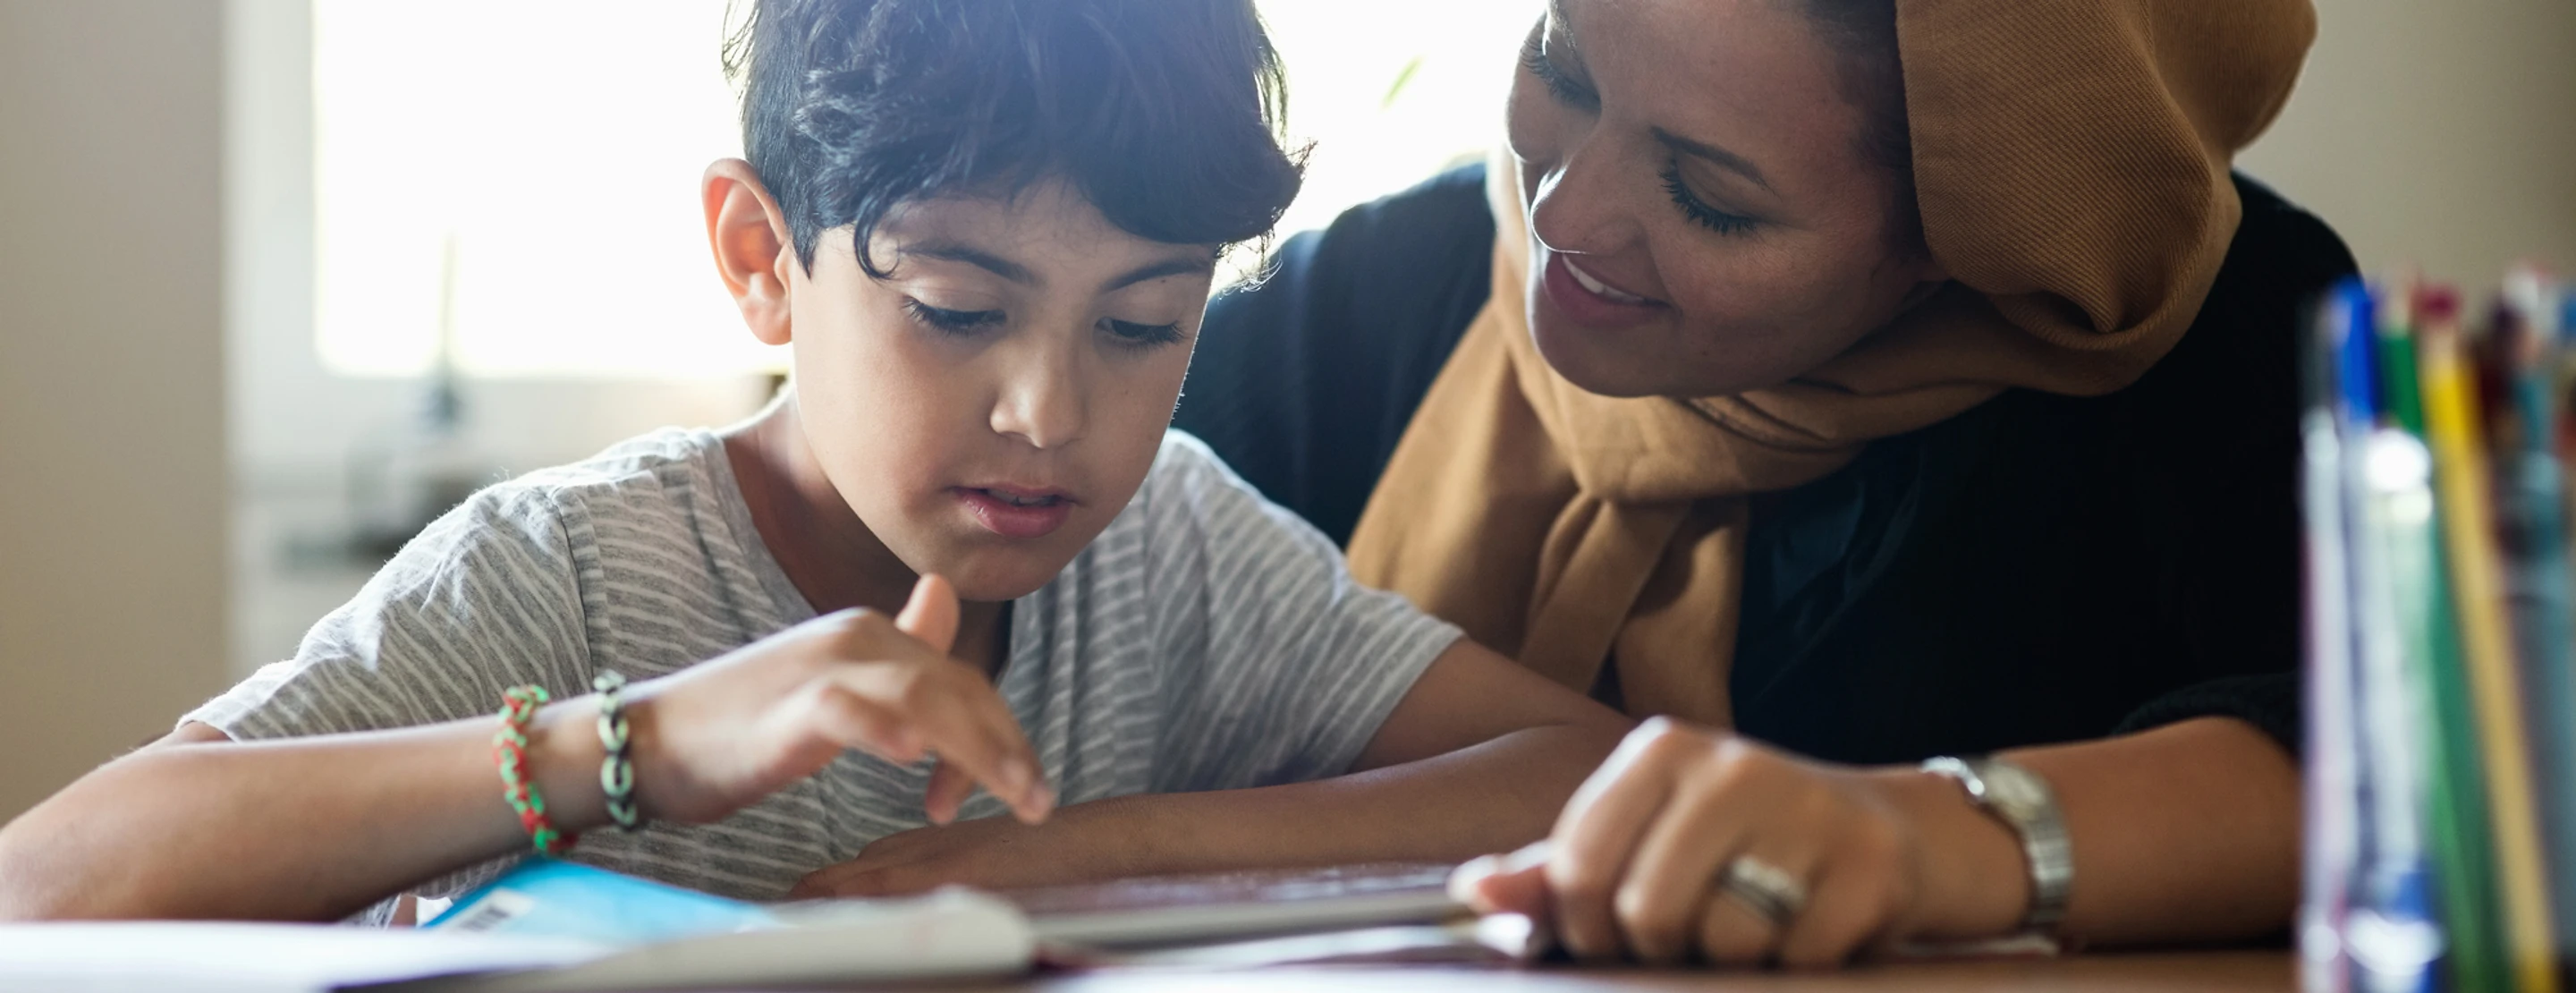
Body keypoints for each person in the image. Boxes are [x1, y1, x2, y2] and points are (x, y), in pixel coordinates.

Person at [0, 0, 1631, 924]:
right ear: (762, 254)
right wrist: (631, 746)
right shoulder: (570, 572)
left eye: (1144, 326)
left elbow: (1596, 775)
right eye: (956, 309)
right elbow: (44, 885)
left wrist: (1062, 854)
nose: (1050, 413)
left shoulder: (1174, 550)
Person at [1173, 0, 2355, 968]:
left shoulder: (2216, 348)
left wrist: (1937, 834)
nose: (1563, 211)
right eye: (1565, 69)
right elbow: (1092, 537)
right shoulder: (1394, 284)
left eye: (1709, 197)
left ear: (1961, 246)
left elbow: (2397, 746)